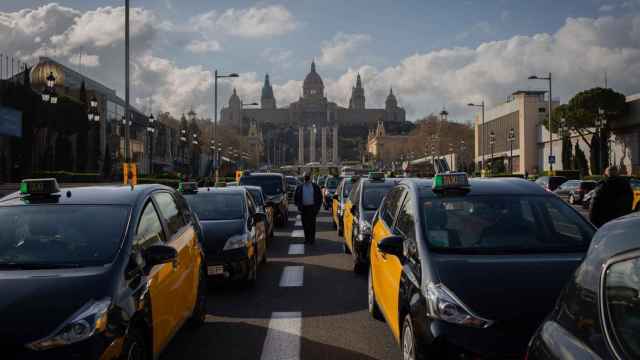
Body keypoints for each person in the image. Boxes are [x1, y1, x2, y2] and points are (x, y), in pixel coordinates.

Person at [294, 173, 323, 244]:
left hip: (312, 208)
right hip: (303, 209)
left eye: (307, 177)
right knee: (305, 225)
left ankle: (312, 239)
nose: (306, 179)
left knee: (312, 224)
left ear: (310, 178)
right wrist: (299, 206)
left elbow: (320, 198)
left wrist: (317, 208)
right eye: (305, 177)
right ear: (303, 178)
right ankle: (307, 239)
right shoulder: (300, 187)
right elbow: (295, 198)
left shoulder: (315, 186)